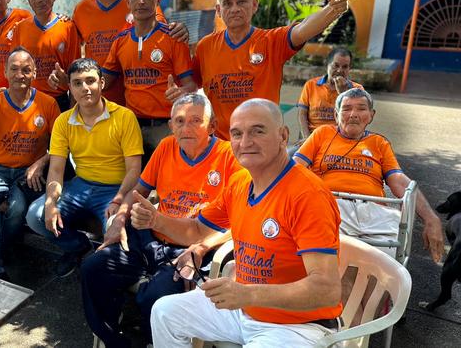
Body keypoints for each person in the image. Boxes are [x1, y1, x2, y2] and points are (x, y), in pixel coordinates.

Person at [134, 98, 343, 347]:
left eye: (257, 131)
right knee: (165, 312)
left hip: (297, 326)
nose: (245, 142)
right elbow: (197, 231)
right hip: (244, 308)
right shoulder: (240, 183)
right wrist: (155, 220)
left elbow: (326, 290)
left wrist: (248, 293)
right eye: (236, 133)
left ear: (283, 136)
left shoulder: (307, 195)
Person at [81, 93, 240, 347]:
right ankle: (114, 340)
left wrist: (201, 247)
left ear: (212, 126)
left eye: (196, 120)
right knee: (94, 268)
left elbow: (240, 221)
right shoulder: (166, 147)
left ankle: (151, 341)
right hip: (149, 239)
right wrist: (120, 218)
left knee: (154, 297)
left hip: (189, 249)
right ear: (171, 126)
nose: (186, 128)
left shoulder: (229, 157)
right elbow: (139, 191)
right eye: (179, 121)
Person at [294, 87, 444, 262]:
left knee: (386, 264)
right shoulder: (322, 134)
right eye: (347, 108)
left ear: (371, 115)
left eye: (361, 108)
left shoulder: (379, 143)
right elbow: (295, 168)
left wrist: (431, 218)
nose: (353, 114)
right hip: (331, 206)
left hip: (375, 213)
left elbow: (399, 182)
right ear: (336, 114)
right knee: (331, 257)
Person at [27, 58, 144, 277]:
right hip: (80, 185)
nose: (85, 88)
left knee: (115, 230)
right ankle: (78, 246)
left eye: (90, 81)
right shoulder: (63, 121)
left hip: (115, 189)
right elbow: (56, 170)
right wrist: (51, 202)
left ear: (101, 83)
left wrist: (118, 199)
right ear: (70, 88)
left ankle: (110, 276)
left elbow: (134, 170)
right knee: (36, 215)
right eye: (77, 83)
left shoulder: (124, 117)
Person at [192, 0, 351, 139]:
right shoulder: (205, 47)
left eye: (241, 2)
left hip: (262, 143)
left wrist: (332, 10)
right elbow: (189, 85)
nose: (235, 9)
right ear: (218, 10)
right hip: (220, 144)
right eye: (227, 4)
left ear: (254, 4)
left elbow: (303, 29)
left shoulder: (272, 41)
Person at [0, 47, 61, 280]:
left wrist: (41, 162)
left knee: (16, 209)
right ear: (6, 72)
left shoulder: (48, 103)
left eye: (26, 70)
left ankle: (2, 253)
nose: (20, 75)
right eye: (15, 69)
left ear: (34, 73)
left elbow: (63, 144)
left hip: (28, 174)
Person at [56, 0, 188, 105]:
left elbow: (162, 36)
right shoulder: (81, 10)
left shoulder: (139, 3)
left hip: (133, 104)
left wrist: (180, 29)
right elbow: (71, 46)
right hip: (96, 102)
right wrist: (59, 21)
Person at [102, 0, 195, 156]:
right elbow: (103, 82)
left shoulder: (173, 38)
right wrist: (72, 80)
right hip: (132, 127)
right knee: (135, 175)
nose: (142, 1)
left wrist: (182, 92)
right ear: (128, 1)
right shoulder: (120, 41)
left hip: (166, 127)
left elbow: (191, 85)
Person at [12, 0, 81, 111]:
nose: (38, 0)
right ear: (28, 0)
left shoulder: (68, 27)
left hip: (59, 101)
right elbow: (14, 71)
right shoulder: (20, 28)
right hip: (28, 102)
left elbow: (76, 73)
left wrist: (73, 111)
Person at [297, 46, 363, 140]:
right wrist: (307, 139)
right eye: (336, 65)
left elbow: (355, 120)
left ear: (349, 68)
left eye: (345, 67)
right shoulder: (311, 85)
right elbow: (302, 114)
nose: (339, 70)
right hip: (312, 137)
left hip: (340, 139)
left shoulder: (357, 89)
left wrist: (343, 93)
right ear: (327, 64)